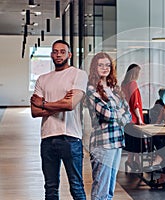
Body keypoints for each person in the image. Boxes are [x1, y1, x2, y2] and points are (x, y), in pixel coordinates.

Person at [30, 40, 87, 200]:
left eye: (62, 51)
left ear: (69, 54)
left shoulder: (78, 74)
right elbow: (35, 111)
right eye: (55, 51)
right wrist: (58, 103)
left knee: (76, 186)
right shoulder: (43, 79)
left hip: (71, 138)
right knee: (50, 188)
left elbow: (70, 104)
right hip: (47, 139)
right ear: (51, 55)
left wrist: (44, 104)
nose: (58, 54)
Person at [85, 52, 131, 200]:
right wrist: (119, 114)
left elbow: (128, 115)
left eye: (108, 65)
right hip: (103, 143)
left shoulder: (115, 88)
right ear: (94, 67)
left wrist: (118, 114)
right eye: (100, 65)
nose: (105, 68)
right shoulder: (92, 89)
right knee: (101, 190)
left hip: (117, 141)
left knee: (109, 190)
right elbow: (106, 115)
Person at [121, 64, 145, 171]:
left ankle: (131, 161)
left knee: (131, 141)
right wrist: (139, 119)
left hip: (126, 118)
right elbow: (135, 103)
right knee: (137, 141)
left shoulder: (123, 84)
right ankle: (136, 162)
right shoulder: (133, 84)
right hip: (134, 118)